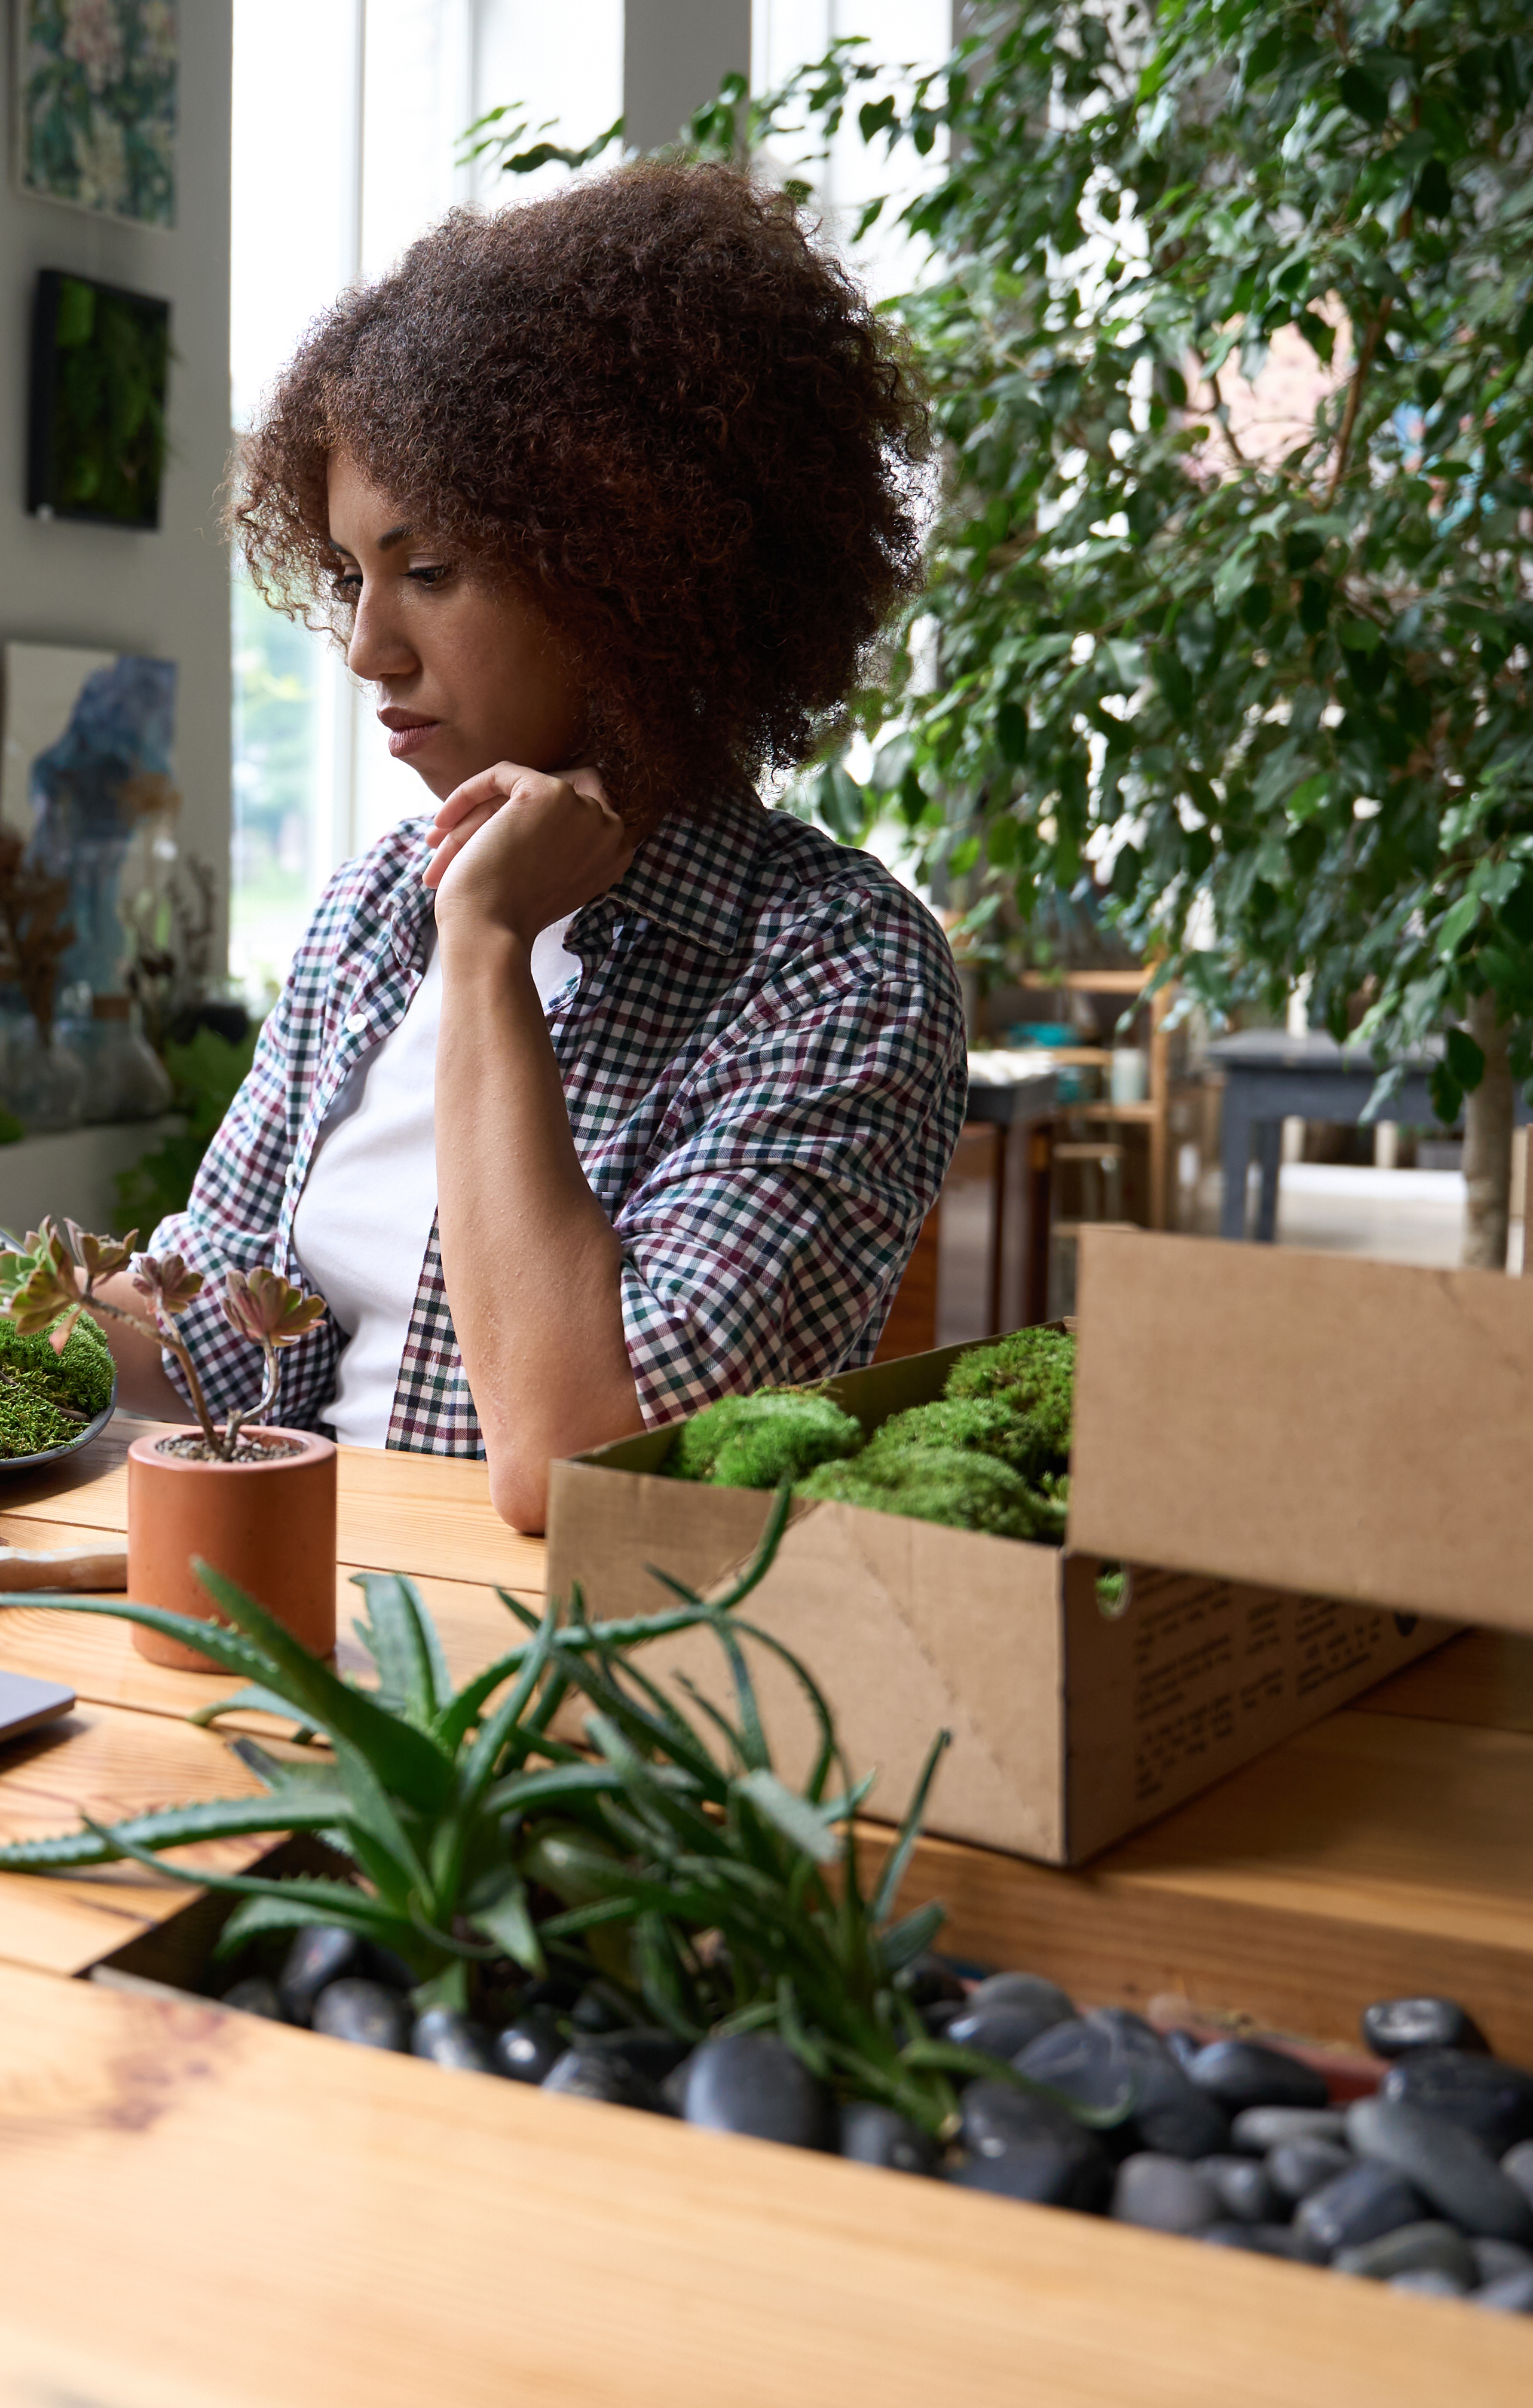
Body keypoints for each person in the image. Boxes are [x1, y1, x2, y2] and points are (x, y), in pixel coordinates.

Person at [134, 158, 968, 1533]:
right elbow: (212, 1336)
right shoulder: (368, 913)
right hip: (279, 1626)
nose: (364, 650)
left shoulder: (835, 972)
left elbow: (579, 1464)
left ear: (629, 566)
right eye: (350, 578)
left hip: (569, 1703)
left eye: (431, 572)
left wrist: (487, 957)